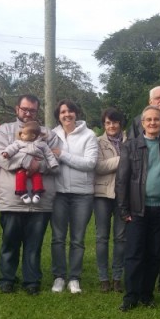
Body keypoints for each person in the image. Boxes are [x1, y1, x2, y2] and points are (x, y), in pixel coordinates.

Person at [0, 94, 60, 295]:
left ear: (37, 111)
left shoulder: (48, 134)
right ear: (17, 109)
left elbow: (56, 160)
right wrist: (27, 162)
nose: (28, 113)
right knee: (10, 242)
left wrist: (39, 165)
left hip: (41, 199)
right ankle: (7, 279)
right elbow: (1, 157)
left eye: (32, 110)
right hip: (12, 198)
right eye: (24, 109)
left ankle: (32, 281)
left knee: (34, 244)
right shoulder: (4, 130)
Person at [116, 105, 160, 312]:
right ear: (142, 123)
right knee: (134, 253)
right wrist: (123, 210)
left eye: (156, 120)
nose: (152, 123)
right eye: (148, 120)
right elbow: (122, 180)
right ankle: (131, 295)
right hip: (138, 210)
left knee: (155, 254)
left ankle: (147, 294)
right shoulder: (130, 146)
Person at [128, 85, 160, 298]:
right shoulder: (137, 123)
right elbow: (128, 162)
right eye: (157, 97)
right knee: (137, 249)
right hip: (140, 200)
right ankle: (134, 290)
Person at [48, 100, 98, 294]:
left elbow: (90, 163)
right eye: (62, 112)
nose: (66, 114)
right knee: (58, 238)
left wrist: (62, 155)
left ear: (76, 113)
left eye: (70, 111)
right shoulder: (52, 135)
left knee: (77, 239)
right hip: (59, 193)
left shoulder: (89, 135)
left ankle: (74, 278)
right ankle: (59, 277)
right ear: (58, 115)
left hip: (82, 195)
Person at [93, 108, 127, 293]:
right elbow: (98, 167)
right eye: (107, 122)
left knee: (121, 238)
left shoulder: (130, 141)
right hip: (102, 195)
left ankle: (117, 277)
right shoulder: (97, 142)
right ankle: (103, 278)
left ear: (120, 123)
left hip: (123, 195)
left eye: (114, 122)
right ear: (103, 125)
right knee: (101, 237)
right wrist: (123, 159)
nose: (111, 126)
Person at [0, 120, 58, 204]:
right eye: (22, 133)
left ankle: (37, 192)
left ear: (33, 136)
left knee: (37, 177)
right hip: (22, 166)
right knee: (20, 175)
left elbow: (49, 154)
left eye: (24, 134)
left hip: (38, 166)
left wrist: (53, 164)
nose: (21, 135)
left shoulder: (42, 144)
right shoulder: (20, 142)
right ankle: (22, 192)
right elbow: (12, 147)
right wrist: (7, 153)